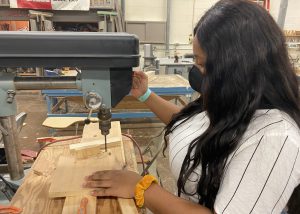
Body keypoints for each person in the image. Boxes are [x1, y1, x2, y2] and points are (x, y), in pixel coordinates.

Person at [83, 0, 300, 213]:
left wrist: (142, 188)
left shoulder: (274, 138)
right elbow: (193, 122)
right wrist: (145, 95)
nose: (197, 72)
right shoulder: (239, 99)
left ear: (237, 69)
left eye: (203, 64)